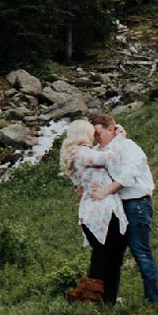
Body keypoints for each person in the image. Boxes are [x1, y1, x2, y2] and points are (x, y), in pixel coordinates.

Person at [72, 110, 158, 305]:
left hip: (136, 202)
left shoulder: (128, 146)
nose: (96, 138)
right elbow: (82, 167)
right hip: (115, 209)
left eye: (98, 133)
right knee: (114, 258)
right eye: (93, 135)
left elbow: (130, 173)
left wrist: (106, 190)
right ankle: (108, 302)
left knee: (141, 251)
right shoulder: (99, 152)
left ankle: (155, 300)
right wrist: (80, 186)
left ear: (111, 130)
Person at [59, 119, 126, 304]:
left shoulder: (75, 155)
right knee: (104, 257)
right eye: (91, 134)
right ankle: (90, 298)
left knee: (107, 256)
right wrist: (119, 137)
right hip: (102, 209)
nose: (94, 137)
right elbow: (109, 157)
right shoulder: (82, 153)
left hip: (93, 209)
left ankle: (104, 300)